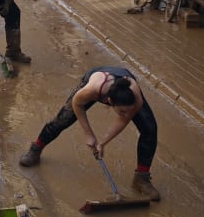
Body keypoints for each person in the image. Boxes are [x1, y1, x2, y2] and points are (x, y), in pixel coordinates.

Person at [17, 66, 162, 201]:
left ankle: (141, 179)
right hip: (98, 78)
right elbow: (77, 104)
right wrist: (89, 135)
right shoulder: (92, 90)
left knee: (150, 128)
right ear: (110, 102)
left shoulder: (135, 97)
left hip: (122, 85)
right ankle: (35, 149)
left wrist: (103, 143)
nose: (127, 113)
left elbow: (123, 119)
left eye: (129, 110)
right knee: (63, 119)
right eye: (123, 110)